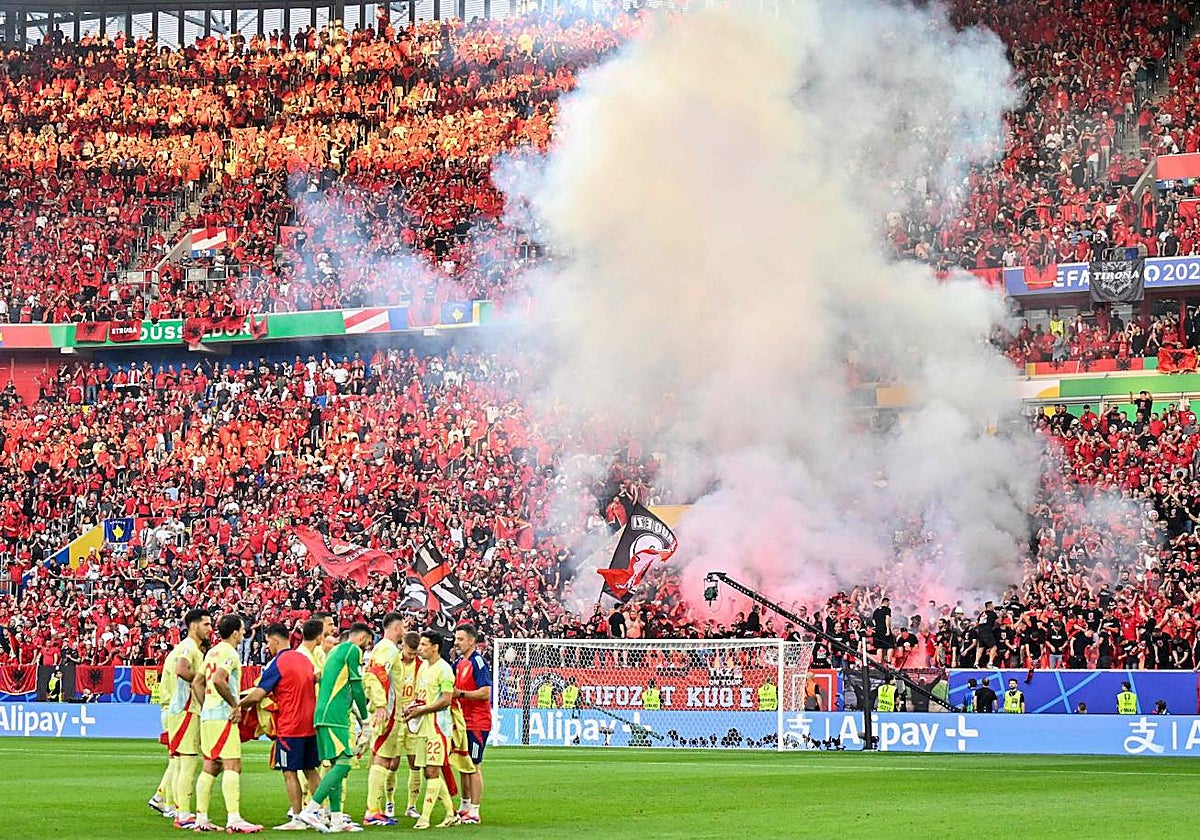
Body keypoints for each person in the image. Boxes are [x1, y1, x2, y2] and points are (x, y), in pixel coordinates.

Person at [238, 624, 320, 831]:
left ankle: (298, 817)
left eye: (267, 642)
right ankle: (319, 812)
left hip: (290, 726)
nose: (267, 646)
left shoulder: (278, 663)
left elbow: (259, 694)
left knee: (289, 771)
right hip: (309, 724)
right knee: (311, 769)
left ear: (275, 640)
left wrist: (237, 706)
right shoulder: (304, 659)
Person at [296, 622, 372, 833]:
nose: (367, 647)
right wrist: (365, 720)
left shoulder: (335, 652)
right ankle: (311, 809)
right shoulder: (351, 649)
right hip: (333, 716)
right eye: (367, 642)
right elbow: (356, 687)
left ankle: (336, 819)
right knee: (345, 763)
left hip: (326, 714)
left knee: (338, 762)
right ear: (361, 638)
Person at [192, 614, 261, 833]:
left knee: (211, 765)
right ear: (234, 633)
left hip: (208, 716)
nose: (243, 633)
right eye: (242, 629)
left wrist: (206, 705)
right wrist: (234, 705)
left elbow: (197, 682)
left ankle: (201, 818)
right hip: (223, 716)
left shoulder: (212, 651)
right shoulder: (230, 652)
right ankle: (234, 819)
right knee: (233, 764)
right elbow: (219, 679)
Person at [158, 608, 211, 830]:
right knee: (187, 761)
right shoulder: (189, 647)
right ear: (193, 626)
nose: (210, 629)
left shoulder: (189, 648)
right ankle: (183, 814)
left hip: (180, 710)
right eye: (206, 624)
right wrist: (202, 681)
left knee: (180, 762)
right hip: (185, 709)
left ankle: (177, 808)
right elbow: (181, 669)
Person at [402, 630, 460, 830]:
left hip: (438, 727)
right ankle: (451, 813)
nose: (420, 648)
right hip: (423, 726)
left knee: (432, 770)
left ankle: (424, 818)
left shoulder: (444, 670)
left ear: (435, 647)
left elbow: (446, 699)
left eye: (424, 644)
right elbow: (421, 697)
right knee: (429, 772)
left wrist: (421, 710)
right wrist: (411, 709)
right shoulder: (424, 667)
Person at [363, 612, 406, 827]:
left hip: (385, 709)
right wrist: (381, 705)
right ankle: (372, 810)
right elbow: (376, 673)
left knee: (382, 757)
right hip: (388, 711)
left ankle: (375, 807)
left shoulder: (381, 647)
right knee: (382, 757)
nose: (405, 630)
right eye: (404, 626)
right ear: (397, 627)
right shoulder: (388, 649)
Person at [452, 623, 492, 825]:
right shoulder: (459, 662)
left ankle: (475, 810)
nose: (456, 642)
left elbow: (486, 692)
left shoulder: (478, 662)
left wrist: (461, 694)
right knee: (463, 764)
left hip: (477, 721)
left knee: (474, 765)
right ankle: (465, 805)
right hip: (461, 721)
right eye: (456, 638)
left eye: (460, 639)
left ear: (471, 641)